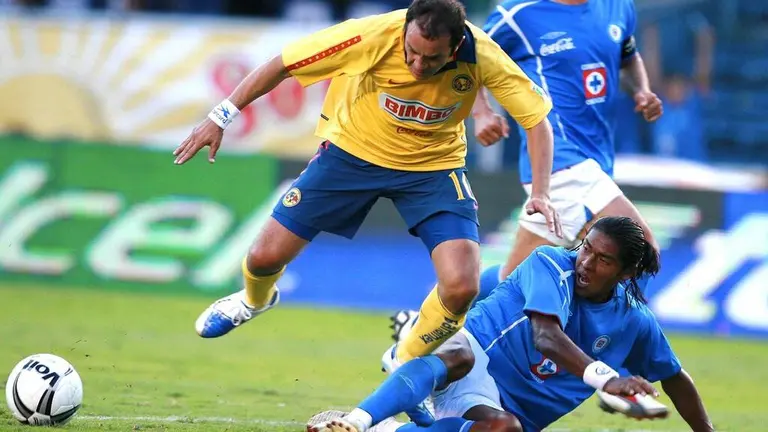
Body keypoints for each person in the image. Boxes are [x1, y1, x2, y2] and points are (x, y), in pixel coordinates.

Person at [173, 0, 560, 371]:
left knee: (461, 287)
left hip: (433, 167)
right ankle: (253, 301)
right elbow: (282, 65)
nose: (418, 65)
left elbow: (536, 120)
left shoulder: (484, 55)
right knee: (263, 258)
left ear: (456, 46)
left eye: (432, 58)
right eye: (411, 52)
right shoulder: (370, 35)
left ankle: (404, 358)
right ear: (405, 31)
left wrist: (540, 192)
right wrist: (219, 117)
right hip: (351, 154)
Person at [389, 0, 665, 351]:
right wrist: (482, 111)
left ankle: (424, 329)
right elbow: (464, 55)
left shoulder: (617, 7)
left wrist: (640, 89)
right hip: (559, 161)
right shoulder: (517, 14)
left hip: (595, 161)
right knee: (641, 249)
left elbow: (628, 56)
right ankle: (612, 357)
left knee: (513, 281)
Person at [308, 216, 714, 432]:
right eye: (586, 248)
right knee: (458, 352)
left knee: (505, 429)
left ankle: (388, 428)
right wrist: (608, 381)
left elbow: (675, 377)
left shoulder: (635, 322)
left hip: (505, 413)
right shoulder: (551, 262)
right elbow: (547, 337)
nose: (585, 263)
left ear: (625, 274)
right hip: (477, 359)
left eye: (603, 260)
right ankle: (358, 421)